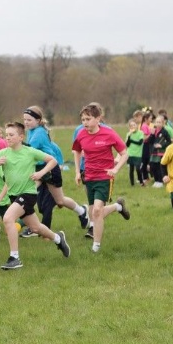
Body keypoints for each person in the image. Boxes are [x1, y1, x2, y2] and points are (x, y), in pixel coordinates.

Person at [0, 122, 70, 270]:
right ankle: (58, 238)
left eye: (11, 135)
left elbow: (53, 160)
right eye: (6, 135)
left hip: (28, 194)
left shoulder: (30, 152)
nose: (8, 138)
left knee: (8, 218)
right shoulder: (2, 153)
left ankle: (14, 258)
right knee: (36, 227)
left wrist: (40, 173)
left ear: (21, 137)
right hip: (14, 195)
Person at [72, 103, 130, 253]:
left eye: (88, 119)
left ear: (98, 119)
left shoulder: (109, 134)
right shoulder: (81, 135)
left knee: (97, 211)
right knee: (94, 213)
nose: (85, 122)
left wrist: (115, 169)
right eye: (83, 119)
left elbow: (125, 153)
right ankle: (118, 207)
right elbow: (76, 152)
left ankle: (96, 246)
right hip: (89, 176)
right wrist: (78, 172)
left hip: (105, 177)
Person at [21, 106, 89, 234]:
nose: (26, 122)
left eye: (29, 120)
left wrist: (15, 144)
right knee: (27, 193)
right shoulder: (31, 130)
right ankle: (33, 226)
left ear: (38, 120)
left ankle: (82, 211)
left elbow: (28, 151)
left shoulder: (39, 133)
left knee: (60, 201)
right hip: (40, 168)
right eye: (24, 119)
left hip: (50, 168)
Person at [125, 119, 145, 186]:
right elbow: (127, 144)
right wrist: (129, 136)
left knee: (138, 169)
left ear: (137, 125)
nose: (133, 126)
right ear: (129, 127)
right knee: (131, 169)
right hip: (130, 154)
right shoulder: (128, 134)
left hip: (138, 154)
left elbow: (140, 143)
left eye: (134, 125)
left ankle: (141, 182)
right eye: (131, 125)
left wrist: (131, 140)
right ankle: (132, 184)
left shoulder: (140, 133)